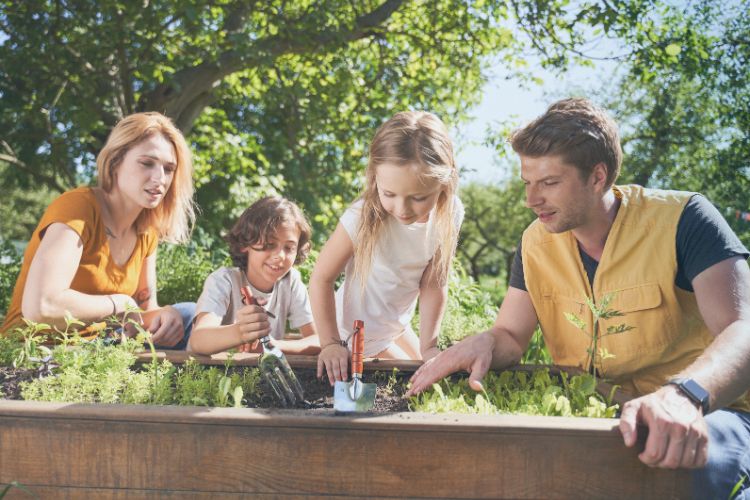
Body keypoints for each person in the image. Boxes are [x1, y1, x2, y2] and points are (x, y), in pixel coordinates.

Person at [406, 97, 750, 499]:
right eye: (527, 184)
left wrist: (684, 396)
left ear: (597, 176)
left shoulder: (686, 219)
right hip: (593, 416)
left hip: (710, 412)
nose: (531, 200)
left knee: (674, 477)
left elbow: (741, 331)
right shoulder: (535, 242)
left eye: (549, 183)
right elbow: (512, 335)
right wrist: (485, 341)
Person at [1, 112, 197, 348]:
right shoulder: (79, 207)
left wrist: (165, 316)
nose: (160, 178)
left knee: (188, 314)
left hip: (102, 348)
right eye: (147, 163)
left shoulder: (147, 230)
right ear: (115, 162)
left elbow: (142, 311)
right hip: (33, 351)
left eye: (169, 169)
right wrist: (120, 303)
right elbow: (41, 307)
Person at [311, 110, 464, 385]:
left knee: (436, 373)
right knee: (414, 384)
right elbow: (322, 277)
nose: (402, 209)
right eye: (389, 194)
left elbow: (433, 282)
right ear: (375, 177)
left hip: (395, 325)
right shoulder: (360, 217)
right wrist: (330, 343)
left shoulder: (450, 213)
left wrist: (429, 347)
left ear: (444, 183)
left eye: (418, 197)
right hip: (355, 331)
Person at [188, 196, 319, 356]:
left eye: (289, 248)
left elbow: (318, 340)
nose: (280, 255)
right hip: (212, 375)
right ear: (245, 244)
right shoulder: (224, 280)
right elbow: (199, 340)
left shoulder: (291, 282)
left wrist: (272, 345)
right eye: (270, 244)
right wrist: (240, 333)